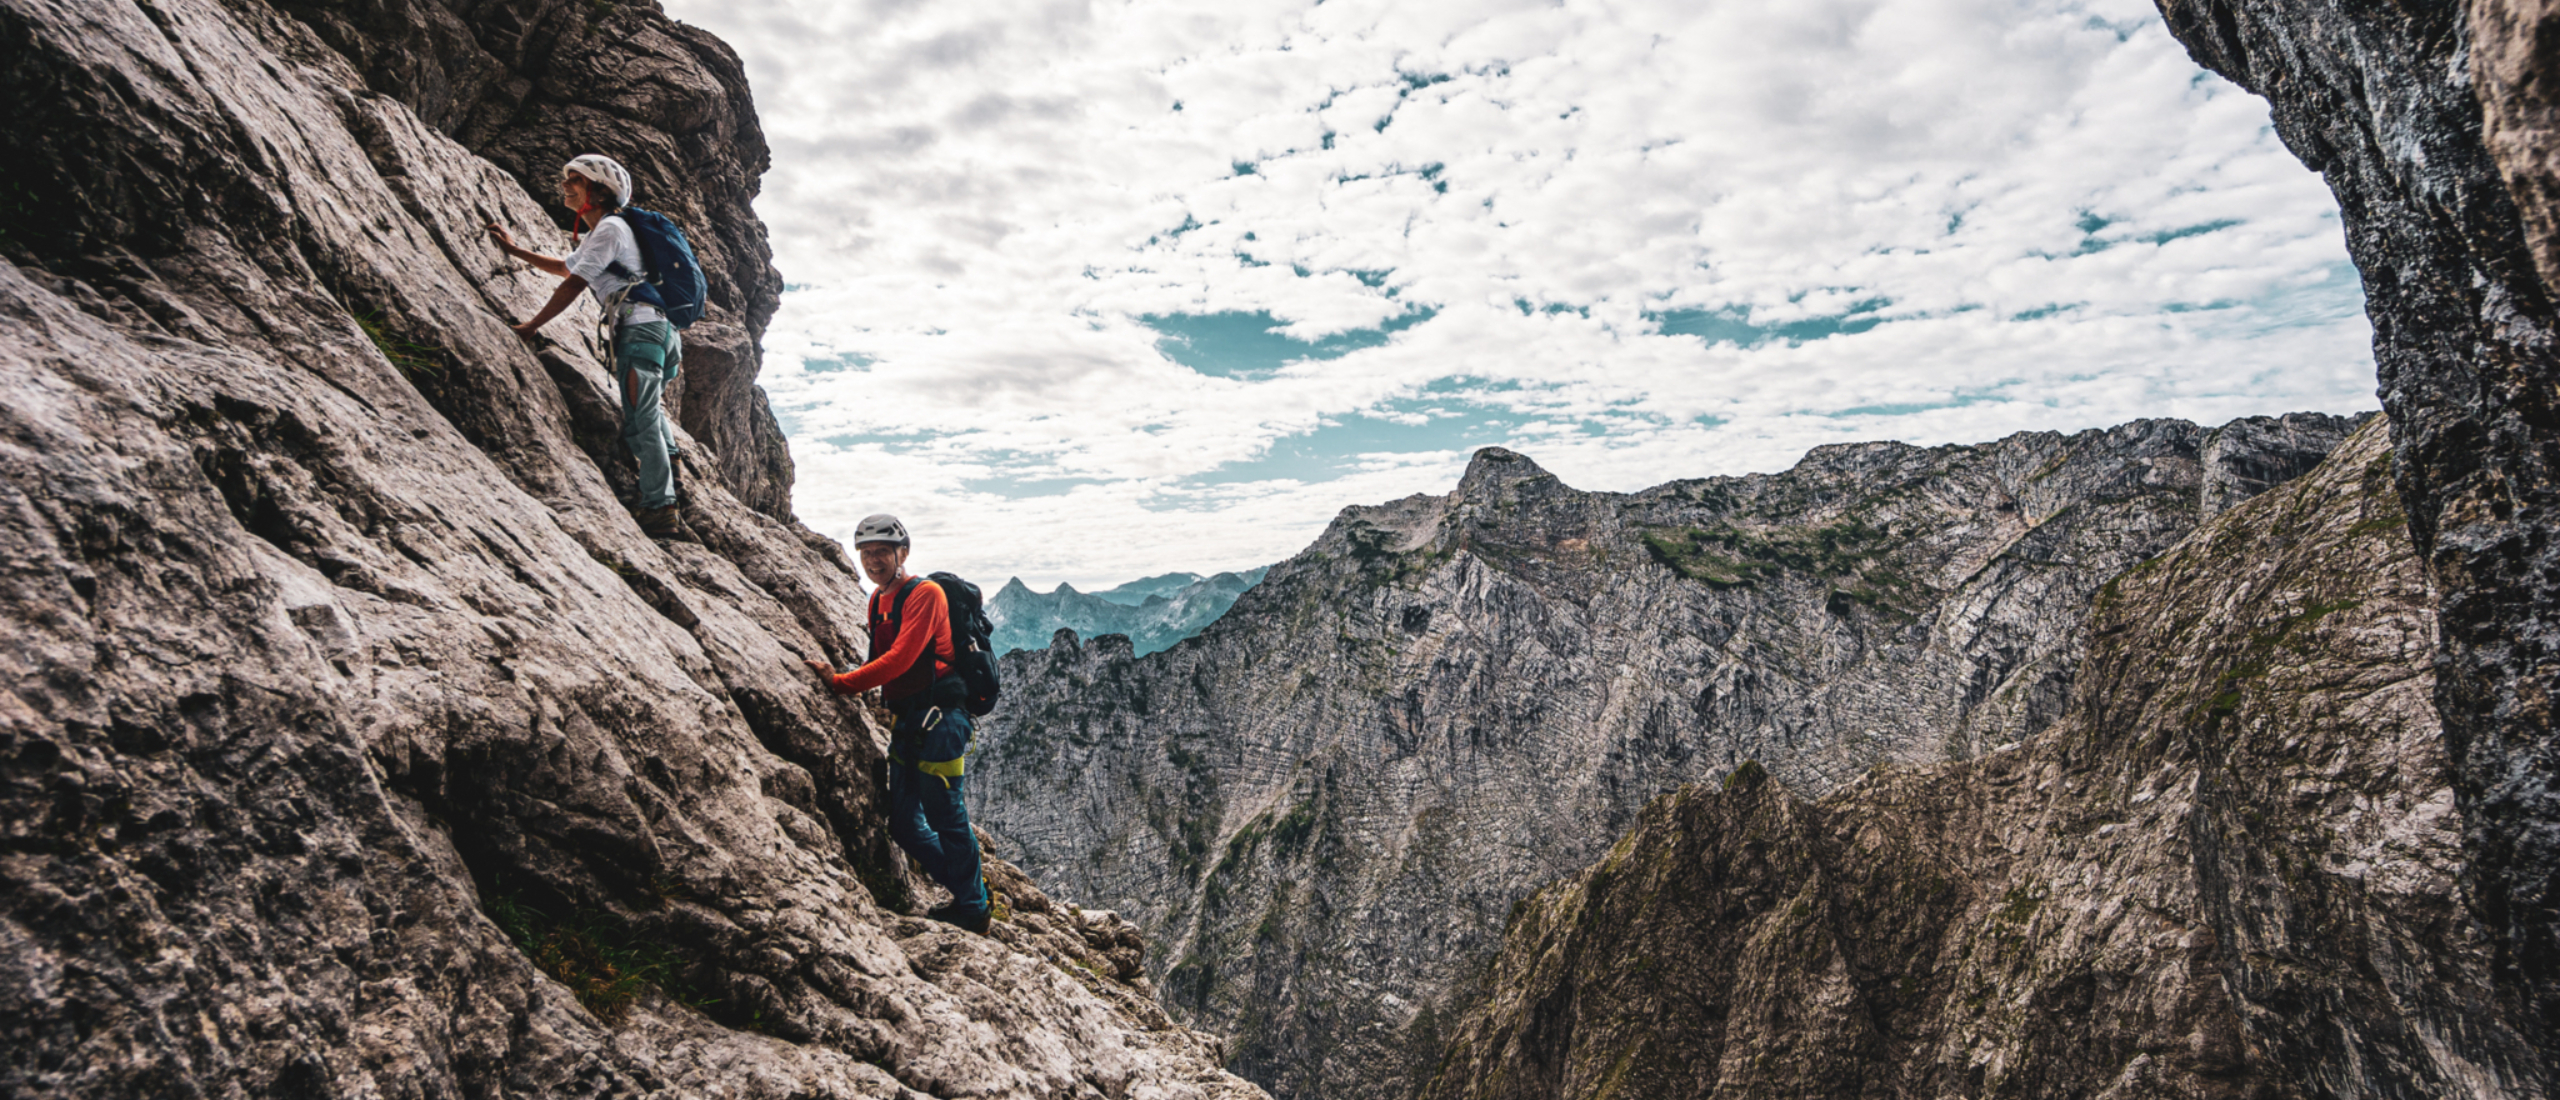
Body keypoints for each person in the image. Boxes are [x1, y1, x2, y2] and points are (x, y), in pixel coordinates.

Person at [485, 154, 692, 542]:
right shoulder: (610, 232)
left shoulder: (611, 228)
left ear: (598, 190)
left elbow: (575, 283)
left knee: (640, 420)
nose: (565, 186)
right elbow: (567, 267)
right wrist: (515, 252)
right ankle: (671, 475)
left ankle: (660, 508)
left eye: (575, 180)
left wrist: (532, 326)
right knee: (650, 412)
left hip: (641, 332)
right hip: (659, 333)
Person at [803, 513, 992, 934]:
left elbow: (903, 658)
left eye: (882, 553)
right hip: (909, 720)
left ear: (902, 553)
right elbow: (878, 659)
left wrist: (841, 684)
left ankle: (973, 906)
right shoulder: (877, 601)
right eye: (867, 554)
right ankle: (970, 890)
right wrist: (847, 673)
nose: (873, 561)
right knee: (904, 823)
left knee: (946, 815)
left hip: (943, 722)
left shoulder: (924, 594)